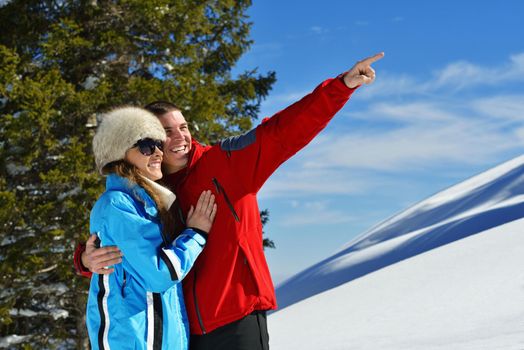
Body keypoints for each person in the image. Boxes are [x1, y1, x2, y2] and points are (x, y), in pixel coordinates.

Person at [75, 52, 384, 350]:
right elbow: (127, 245)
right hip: (183, 332)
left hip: (237, 320)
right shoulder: (144, 191)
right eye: (166, 132)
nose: (179, 137)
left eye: (183, 127)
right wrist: (86, 260)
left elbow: (282, 133)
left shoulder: (225, 162)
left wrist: (341, 87)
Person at [85, 106, 217, 350]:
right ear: (119, 152)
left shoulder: (149, 204)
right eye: (146, 145)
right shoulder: (117, 205)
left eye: (158, 144)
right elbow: (159, 274)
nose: (158, 152)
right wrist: (196, 234)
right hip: (131, 341)